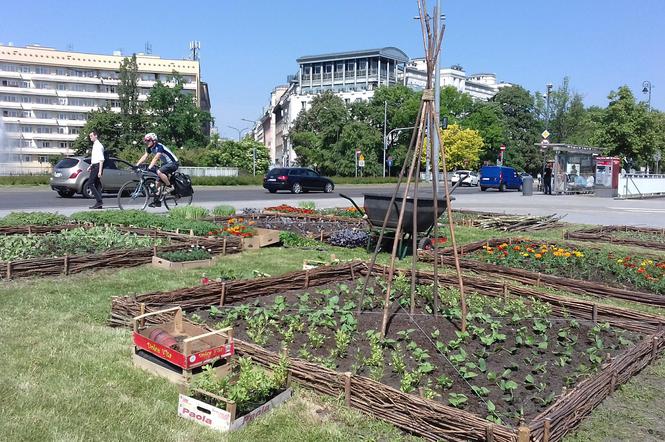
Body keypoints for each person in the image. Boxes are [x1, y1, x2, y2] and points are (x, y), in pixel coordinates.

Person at [136, 133, 179, 207]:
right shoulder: (150, 148)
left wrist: (149, 167)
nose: (146, 142)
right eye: (145, 141)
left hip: (173, 163)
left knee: (159, 171)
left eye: (148, 140)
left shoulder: (159, 147)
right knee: (157, 184)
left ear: (154, 141)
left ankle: (169, 187)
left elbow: (156, 158)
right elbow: (145, 156)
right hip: (166, 164)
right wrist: (136, 165)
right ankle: (157, 202)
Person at [87, 131, 104, 209]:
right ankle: (99, 204)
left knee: (90, 183)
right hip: (94, 166)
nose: (90, 137)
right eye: (90, 136)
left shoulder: (98, 145)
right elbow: (95, 158)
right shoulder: (95, 145)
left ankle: (99, 201)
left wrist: (100, 171)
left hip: (97, 167)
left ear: (96, 136)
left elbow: (101, 159)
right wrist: (90, 166)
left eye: (91, 136)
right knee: (97, 184)